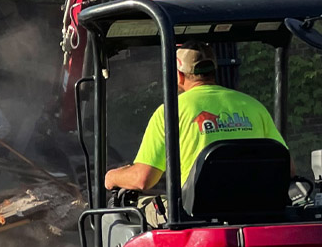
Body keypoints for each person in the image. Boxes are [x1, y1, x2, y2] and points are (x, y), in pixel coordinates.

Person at [104, 42, 287, 192]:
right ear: (214, 71)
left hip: (196, 217)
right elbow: (288, 167)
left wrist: (112, 177)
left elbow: (143, 179)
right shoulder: (254, 107)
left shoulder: (170, 112)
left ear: (179, 75)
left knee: (128, 207)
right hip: (256, 210)